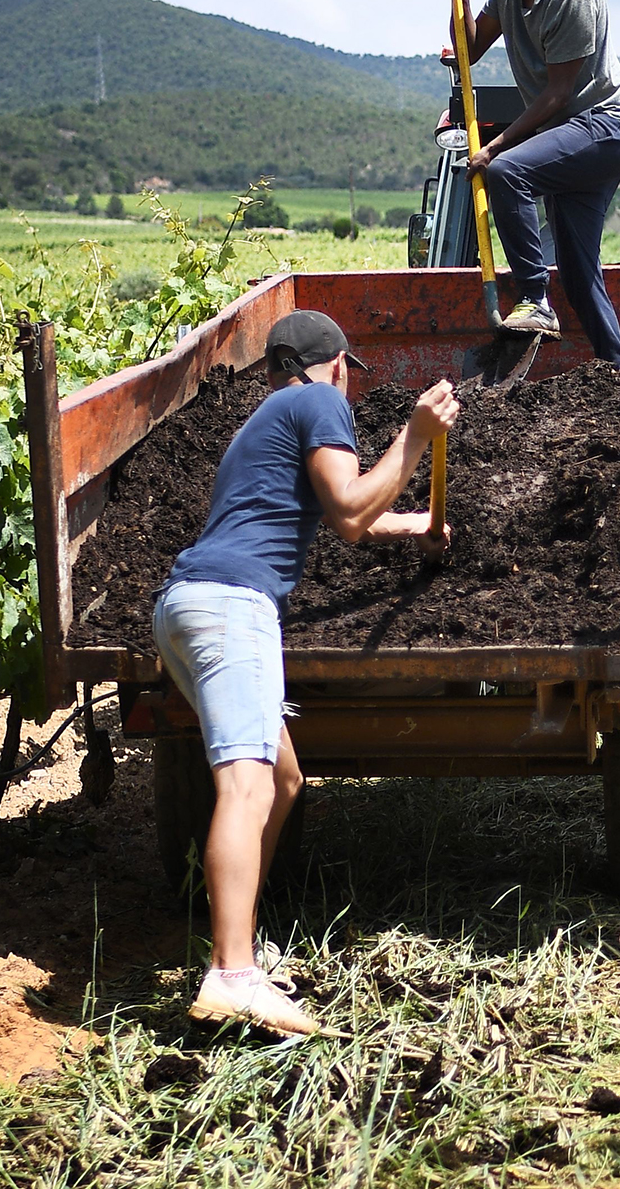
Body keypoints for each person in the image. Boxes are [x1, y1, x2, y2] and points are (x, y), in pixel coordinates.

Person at [154, 309, 459, 1036]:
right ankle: (232, 973)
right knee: (248, 781)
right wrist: (416, 435)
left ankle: (238, 945)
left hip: (190, 605)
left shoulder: (268, 417)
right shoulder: (320, 401)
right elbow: (351, 511)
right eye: (350, 374)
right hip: (233, 605)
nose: (350, 389)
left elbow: (340, 510)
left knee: (282, 779)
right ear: (335, 366)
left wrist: (417, 524)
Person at [435, 0, 620, 373]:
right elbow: (467, 51)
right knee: (576, 270)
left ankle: (534, 298)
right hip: (570, 131)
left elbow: (557, 92)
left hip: (605, 126)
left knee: (507, 172)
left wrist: (497, 146)